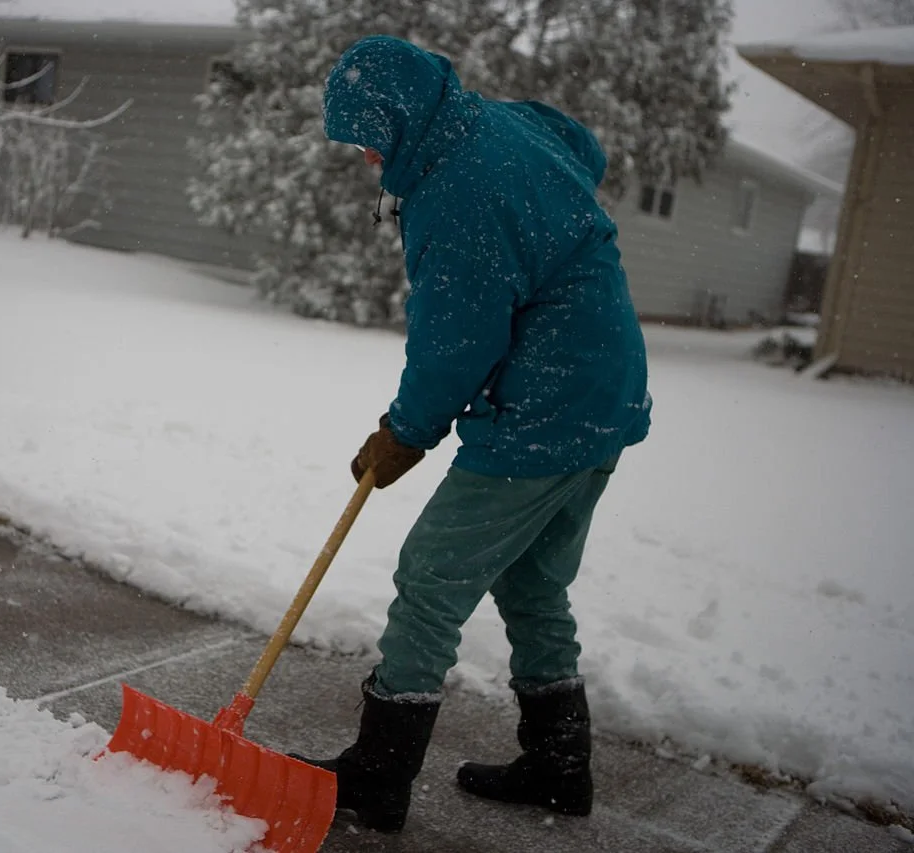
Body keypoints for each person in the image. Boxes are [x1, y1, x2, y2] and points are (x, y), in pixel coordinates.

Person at [290, 35, 652, 833]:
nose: (366, 159)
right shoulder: (492, 124)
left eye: (369, 140)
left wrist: (405, 433)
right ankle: (560, 766)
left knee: (430, 578)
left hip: (545, 407)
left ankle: (378, 778)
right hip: (607, 391)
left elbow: (458, 338)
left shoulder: (456, 195)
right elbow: (577, 145)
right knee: (530, 583)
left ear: (398, 119)